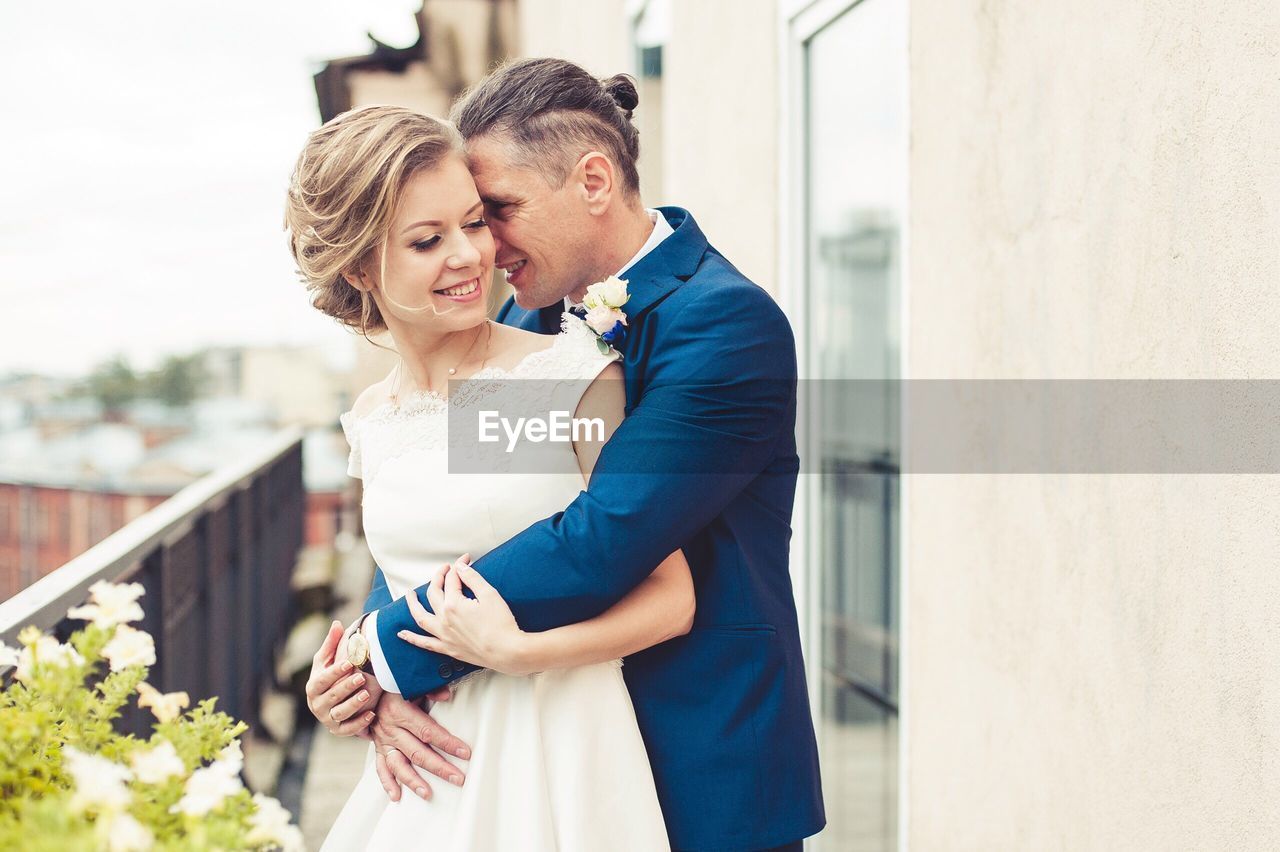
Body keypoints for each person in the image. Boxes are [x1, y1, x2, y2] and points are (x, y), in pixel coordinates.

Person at [307, 58, 825, 851]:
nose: (484, 248)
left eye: (494, 212)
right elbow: (449, 513)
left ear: (591, 180)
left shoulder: (727, 325)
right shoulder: (524, 316)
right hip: (513, 752)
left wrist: (386, 655)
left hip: (699, 754)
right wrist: (363, 672)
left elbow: (604, 535)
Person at [286, 103, 684, 850]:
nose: (469, 255)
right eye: (427, 239)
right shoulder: (374, 415)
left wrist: (520, 654)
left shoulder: (558, 374)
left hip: (562, 750)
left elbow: (671, 597)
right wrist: (352, 688)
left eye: (474, 223)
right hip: (425, 771)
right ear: (360, 266)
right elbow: (401, 583)